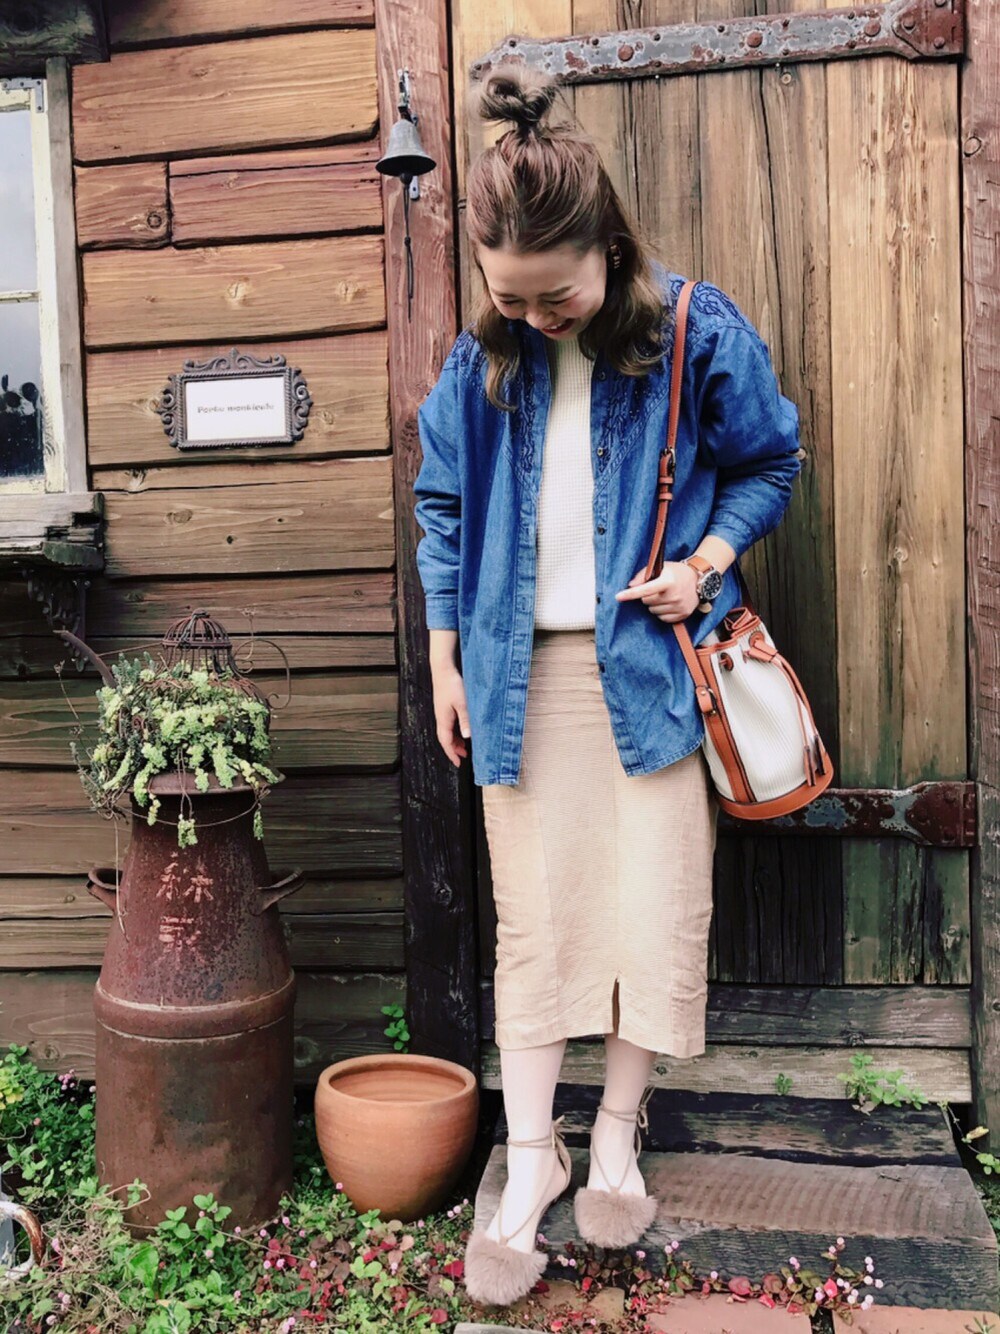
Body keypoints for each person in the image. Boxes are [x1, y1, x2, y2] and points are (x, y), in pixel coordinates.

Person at [412, 64, 801, 1307]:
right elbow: (440, 509)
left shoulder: (691, 330)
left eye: (557, 293)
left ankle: (619, 1134)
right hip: (518, 678)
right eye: (509, 296)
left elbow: (770, 462)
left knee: (652, 906)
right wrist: (445, 658)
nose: (534, 316)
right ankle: (533, 1154)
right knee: (534, 919)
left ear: (609, 251)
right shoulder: (481, 362)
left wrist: (704, 562)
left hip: (653, 671)